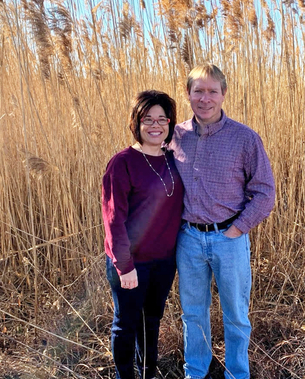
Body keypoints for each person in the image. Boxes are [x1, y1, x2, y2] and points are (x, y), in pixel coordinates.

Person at [169, 63, 275, 379]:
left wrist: (237, 230)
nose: (205, 98)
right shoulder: (175, 136)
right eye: (198, 91)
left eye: (212, 91)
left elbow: (265, 192)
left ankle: (237, 374)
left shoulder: (245, 138)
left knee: (236, 315)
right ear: (188, 94)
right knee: (193, 314)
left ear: (223, 94)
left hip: (229, 238)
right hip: (188, 239)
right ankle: (196, 371)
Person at [102, 90, 184, 379]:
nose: (155, 125)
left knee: (151, 323)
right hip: (130, 263)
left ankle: (148, 374)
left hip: (164, 262)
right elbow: (113, 219)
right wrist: (125, 266)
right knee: (125, 324)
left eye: (162, 119)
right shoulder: (122, 162)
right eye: (148, 119)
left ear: (170, 123)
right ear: (136, 122)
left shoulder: (174, 158)